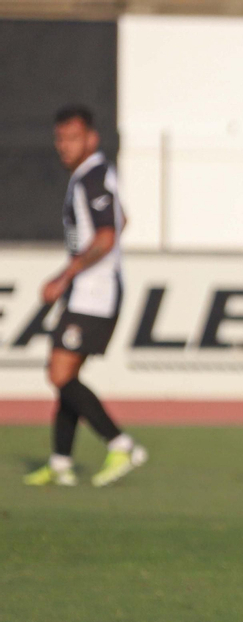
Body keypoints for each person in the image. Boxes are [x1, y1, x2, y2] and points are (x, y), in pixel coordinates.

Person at [24, 105, 147, 488]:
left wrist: (65, 276)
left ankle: (121, 444)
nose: (64, 145)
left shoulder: (91, 177)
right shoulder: (93, 174)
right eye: (60, 137)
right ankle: (61, 464)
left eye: (73, 137)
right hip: (89, 290)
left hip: (94, 294)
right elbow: (120, 220)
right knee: (67, 377)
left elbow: (108, 236)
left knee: (59, 373)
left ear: (91, 138)